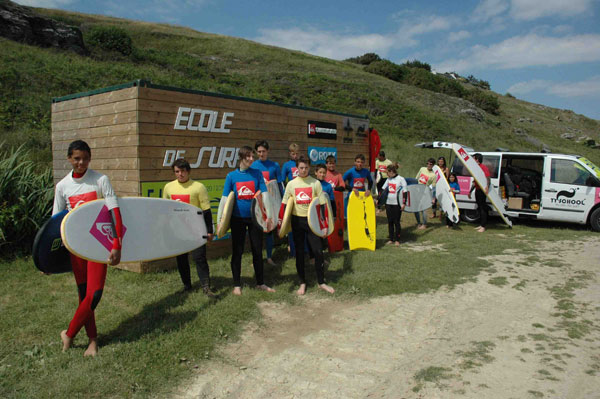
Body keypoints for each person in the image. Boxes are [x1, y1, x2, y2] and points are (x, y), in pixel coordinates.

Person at [52, 140, 123, 356]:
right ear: (69, 159)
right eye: (76, 158)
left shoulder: (100, 180)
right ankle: (92, 340)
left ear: (90, 158)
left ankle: (70, 333)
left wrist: (116, 243)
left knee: (95, 294)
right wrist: (49, 256)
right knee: (84, 294)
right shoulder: (63, 186)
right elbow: (56, 221)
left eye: (84, 158)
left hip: (99, 243)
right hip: (76, 247)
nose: (81, 162)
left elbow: (114, 212)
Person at [217, 146, 276, 295]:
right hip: (237, 220)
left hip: (255, 219)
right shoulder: (231, 176)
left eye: (252, 156)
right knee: (238, 251)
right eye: (248, 156)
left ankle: (260, 283)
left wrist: (269, 216)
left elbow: (265, 194)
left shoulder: (257, 174)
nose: (251, 159)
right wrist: (219, 221)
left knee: (257, 250)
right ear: (241, 158)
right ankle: (237, 284)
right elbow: (224, 200)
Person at [282, 156, 335, 295]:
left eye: (306, 168)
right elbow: (284, 204)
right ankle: (302, 282)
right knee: (299, 253)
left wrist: (324, 226)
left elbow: (323, 205)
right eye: (301, 168)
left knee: (318, 251)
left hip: (313, 222)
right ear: (297, 169)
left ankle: (321, 282)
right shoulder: (291, 184)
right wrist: (280, 223)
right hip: (297, 221)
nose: (303, 170)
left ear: (309, 168)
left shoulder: (315, 183)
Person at [163, 158, 215, 297]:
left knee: (199, 258)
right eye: (177, 171)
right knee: (181, 259)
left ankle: (206, 287)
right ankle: (187, 285)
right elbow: (166, 210)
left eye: (183, 171)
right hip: (178, 231)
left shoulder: (198, 187)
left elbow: (207, 211)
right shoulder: (168, 187)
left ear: (188, 171)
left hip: (196, 230)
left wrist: (209, 231)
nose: (180, 174)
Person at [252, 140, 283, 267]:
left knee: (269, 229)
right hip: (258, 203)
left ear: (268, 151)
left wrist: (282, 203)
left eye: (263, 151)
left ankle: (269, 257)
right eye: (259, 152)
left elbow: (280, 185)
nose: (261, 154)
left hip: (271, 202)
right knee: (257, 231)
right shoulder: (253, 166)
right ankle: (257, 259)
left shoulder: (274, 165)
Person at [281, 143, 300, 256]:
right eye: (293, 153)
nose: (295, 156)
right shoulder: (287, 165)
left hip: (301, 196)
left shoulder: (301, 164)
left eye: (297, 153)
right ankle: (292, 249)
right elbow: (283, 181)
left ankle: (303, 248)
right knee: (291, 224)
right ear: (290, 154)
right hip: (291, 197)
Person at [381, 163, 407, 246]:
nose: (386, 174)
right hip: (388, 203)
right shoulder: (388, 179)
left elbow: (405, 191)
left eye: (387, 172)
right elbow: (383, 190)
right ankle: (391, 239)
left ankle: (397, 239)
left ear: (391, 171)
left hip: (397, 204)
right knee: (390, 221)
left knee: (396, 221)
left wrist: (404, 203)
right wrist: (379, 200)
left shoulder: (401, 179)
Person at [343, 154, 374, 219]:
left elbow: (370, 181)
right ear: (355, 162)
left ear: (364, 163)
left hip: (362, 196)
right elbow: (341, 182)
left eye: (362, 162)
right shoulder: (350, 172)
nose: (360, 164)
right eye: (358, 162)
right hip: (352, 195)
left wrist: (368, 190)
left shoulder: (366, 171)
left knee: (361, 215)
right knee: (352, 214)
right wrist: (351, 189)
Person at [468, 153, 491, 233]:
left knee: (482, 208)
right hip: (477, 190)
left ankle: (483, 226)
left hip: (482, 190)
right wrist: (470, 191)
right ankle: (481, 225)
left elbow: (488, 178)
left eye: (473, 158)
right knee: (479, 207)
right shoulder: (476, 168)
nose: (473, 160)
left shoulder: (483, 167)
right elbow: (475, 182)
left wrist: (487, 186)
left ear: (477, 159)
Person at [414, 158, 436, 229]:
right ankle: (418, 223)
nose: (429, 165)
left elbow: (434, 188)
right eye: (428, 163)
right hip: (417, 190)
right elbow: (416, 178)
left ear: (433, 165)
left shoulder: (433, 175)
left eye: (431, 164)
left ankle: (424, 224)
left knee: (423, 209)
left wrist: (433, 198)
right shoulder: (422, 169)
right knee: (416, 208)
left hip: (425, 192)